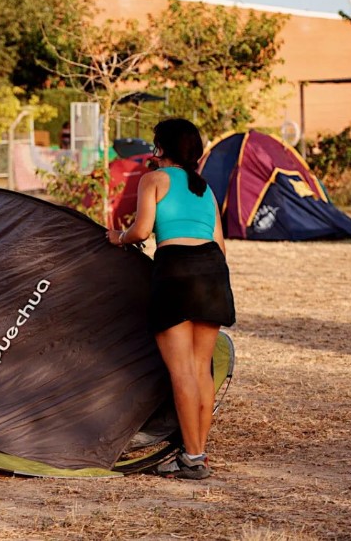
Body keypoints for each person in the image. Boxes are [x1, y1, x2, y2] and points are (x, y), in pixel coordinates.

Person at [107, 118, 235, 480]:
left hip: (175, 271)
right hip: (211, 271)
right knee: (201, 371)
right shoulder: (205, 189)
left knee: (181, 374)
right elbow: (221, 246)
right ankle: (197, 454)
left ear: (160, 148)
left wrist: (118, 237)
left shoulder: (153, 180)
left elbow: (142, 231)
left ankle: (192, 459)